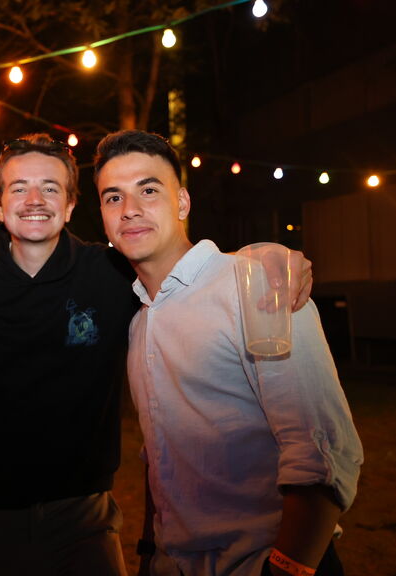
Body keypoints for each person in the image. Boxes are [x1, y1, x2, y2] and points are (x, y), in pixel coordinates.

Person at [0, 133, 315, 576]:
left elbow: (180, 270)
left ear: (72, 205)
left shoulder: (113, 273)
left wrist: (260, 256)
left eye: (50, 188)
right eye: (19, 188)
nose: (35, 200)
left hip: (88, 513)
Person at [93, 129, 364, 576]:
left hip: (263, 563)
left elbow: (321, 453)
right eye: (113, 197)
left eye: (149, 190)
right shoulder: (140, 322)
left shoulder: (260, 286)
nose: (130, 209)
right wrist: (148, 552)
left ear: (182, 202)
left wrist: (285, 569)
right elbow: (160, 456)